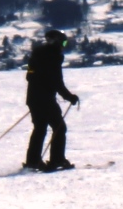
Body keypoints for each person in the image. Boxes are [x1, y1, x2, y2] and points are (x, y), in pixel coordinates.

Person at [24, 27, 81, 171]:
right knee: (59, 128)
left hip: (33, 98)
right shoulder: (54, 56)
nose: (63, 47)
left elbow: (30, 74)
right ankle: (57, 160)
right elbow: (56, 81)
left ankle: (33, 161)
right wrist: (69, 97)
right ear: (56, 42)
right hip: (45, 99)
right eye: (62, 44)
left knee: (40, 129)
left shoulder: (37, 53)